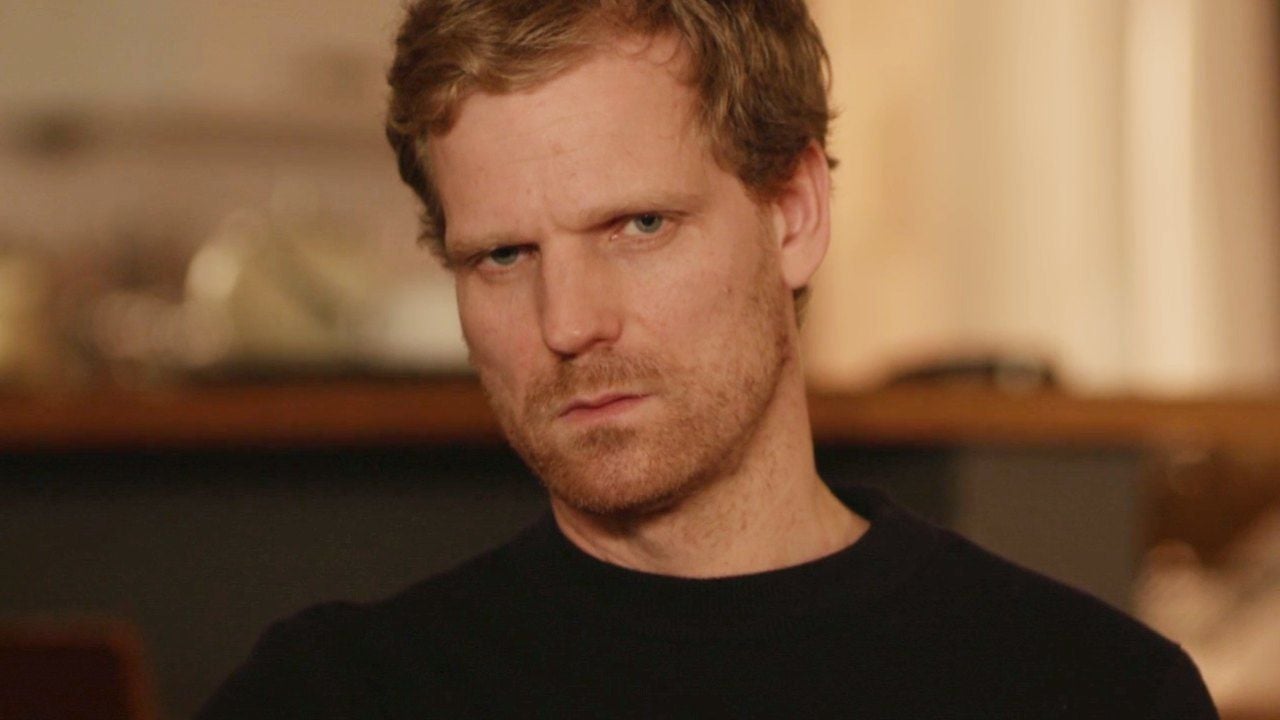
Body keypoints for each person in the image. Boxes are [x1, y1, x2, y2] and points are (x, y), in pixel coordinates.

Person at [199, 1, 1219, 717]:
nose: (567, 323)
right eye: (503, 255)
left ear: (793, 215)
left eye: (638, 226)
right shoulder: (331, 696)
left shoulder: (1088, 692)